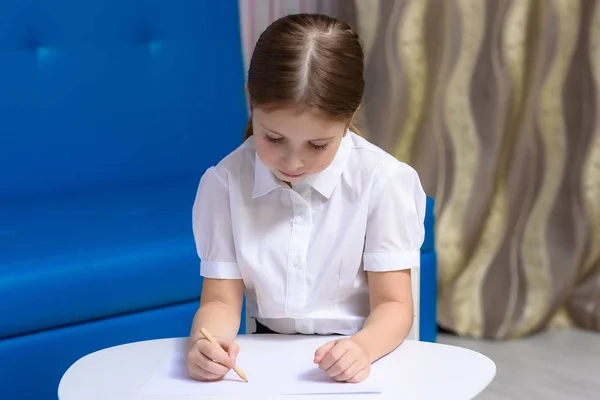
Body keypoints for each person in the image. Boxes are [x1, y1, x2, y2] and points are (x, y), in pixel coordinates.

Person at [186, 13, 426, 384]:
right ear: (251, 99)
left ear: (350, 115)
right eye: (274, 138)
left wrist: (362, 348)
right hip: (265, 362)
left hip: (362, 357)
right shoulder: (225, 183)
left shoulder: (382, 182)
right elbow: (220, 300)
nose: (293, 163)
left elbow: (394, 305)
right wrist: (208, 344)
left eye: (317, 145)